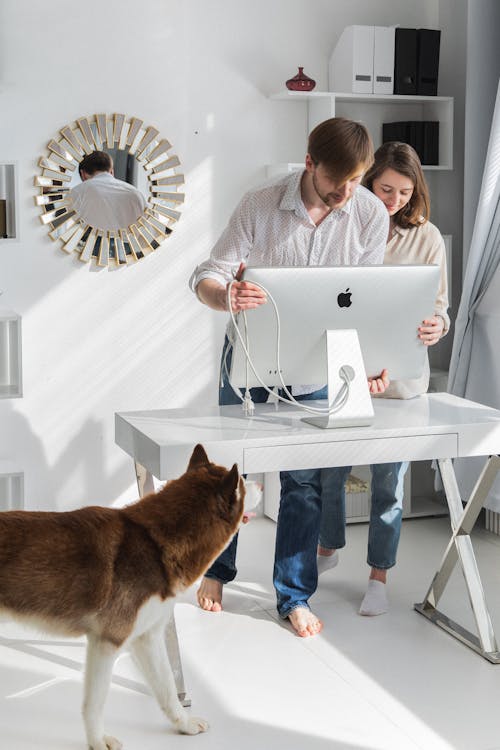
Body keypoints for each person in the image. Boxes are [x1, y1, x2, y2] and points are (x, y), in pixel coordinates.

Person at [189, 117, 390, 637]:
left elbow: (367, 301)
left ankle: (293, 596)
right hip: (251, 354)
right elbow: (207, 273)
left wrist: (371, 364)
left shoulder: (368, 214)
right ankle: (216, 570)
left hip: (317, 362)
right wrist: (224, 295)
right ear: (309, 163)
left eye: (355, 180)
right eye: (334, 181)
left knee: (303, 484)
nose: (345, 193)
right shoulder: (260, 204)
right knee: (233, 471)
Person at [317, 141, 450, 617]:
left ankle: (379, 575)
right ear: (369, 181)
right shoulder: (345, 223)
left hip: (402, 382)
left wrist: (440, 325)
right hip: (348, 370)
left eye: (403, 191)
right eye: (385, 188)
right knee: (329, 472)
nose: (393, 199)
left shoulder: (428, 236)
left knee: (388, 483)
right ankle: (328, 550)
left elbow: (439, 308)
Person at [69, 150, 147, 231]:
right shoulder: (136, 193)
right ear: (111, 171)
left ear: (83, 174)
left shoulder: (77, 192)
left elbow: (63, 228)